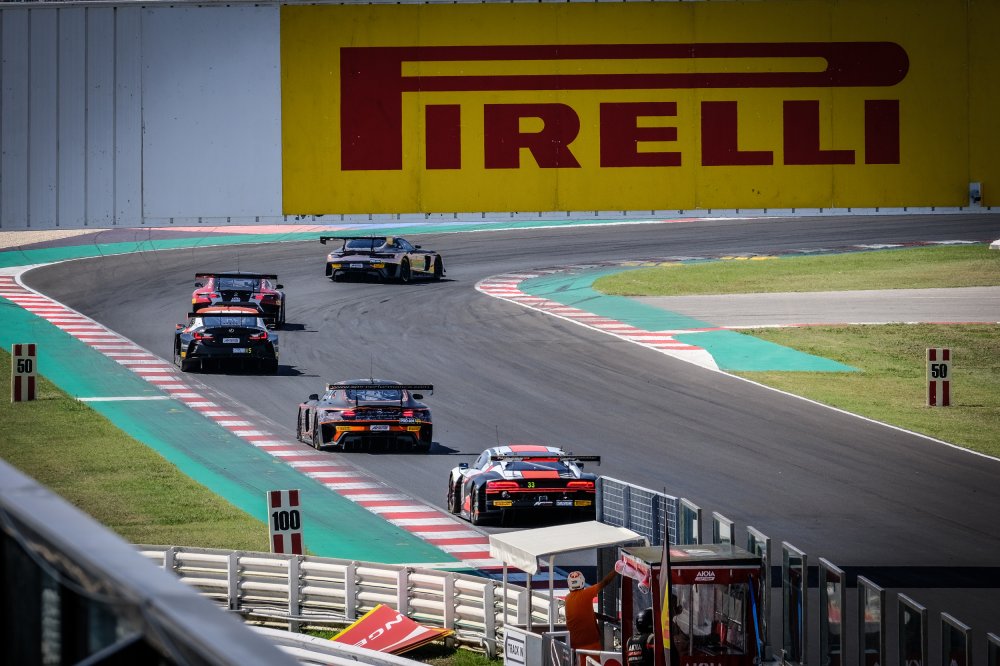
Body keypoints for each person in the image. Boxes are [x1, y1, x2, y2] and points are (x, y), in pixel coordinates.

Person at [564, 569, 618, 653]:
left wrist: (608, 618)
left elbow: (588, 613)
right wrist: (616, 570)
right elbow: (605, 582)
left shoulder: (567, 598)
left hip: (574, 646)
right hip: (591, 644)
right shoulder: (587, 593)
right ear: (582, 581)